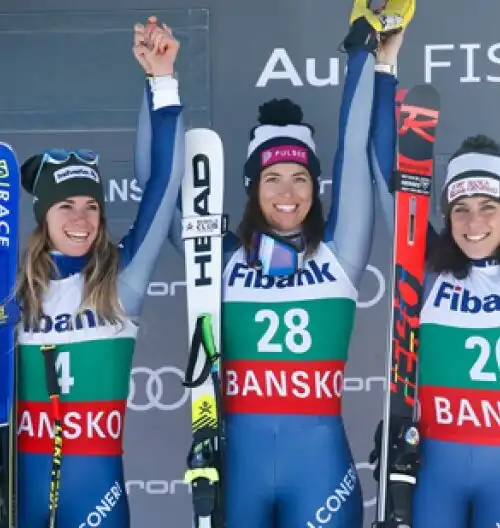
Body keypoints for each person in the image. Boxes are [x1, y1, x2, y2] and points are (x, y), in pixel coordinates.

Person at [134, 3, 409, 526]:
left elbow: (354, 147)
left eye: (300, 178)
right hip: (240, 473)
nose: (288, 193)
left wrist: (367, 55)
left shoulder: (339, 255)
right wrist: (159, 83)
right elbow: (158, 190)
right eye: (273, 179)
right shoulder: (217, 262)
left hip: (322, 475)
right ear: (252, 189)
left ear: (316, 188)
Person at [14, 22, 183, 528]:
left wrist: (162, 80)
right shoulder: (12, 290)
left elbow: (165, 180)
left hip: (99, 506)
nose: (81, 220)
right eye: (65, 206)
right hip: (17, 498)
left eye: (91, 207)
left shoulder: (120, 282)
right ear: (43, 216)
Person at [376, 133, 500, 527]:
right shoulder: (428, 269)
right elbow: (388, 181)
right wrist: (384, 75)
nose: (474, 222)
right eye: (460, 208)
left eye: (489, 206)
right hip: (436, 471)